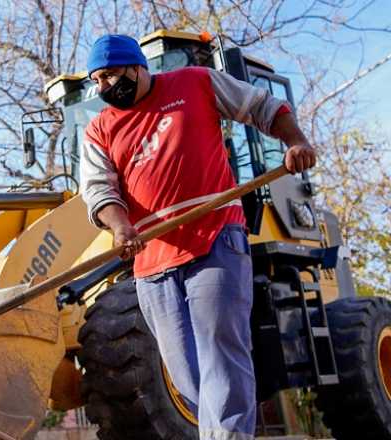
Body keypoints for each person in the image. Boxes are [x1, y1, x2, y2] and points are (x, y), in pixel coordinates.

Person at [79, 35, 316, 440]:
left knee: (221, 352)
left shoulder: (196, 82)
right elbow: (99, 190)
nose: (103, 88)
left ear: (137, 68)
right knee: (184, 372)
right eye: (96, 81)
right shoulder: (100, 129)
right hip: (153, 260)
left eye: (110, 76)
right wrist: (121, 227)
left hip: (215, 237)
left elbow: (263, 106)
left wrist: (294, 140)